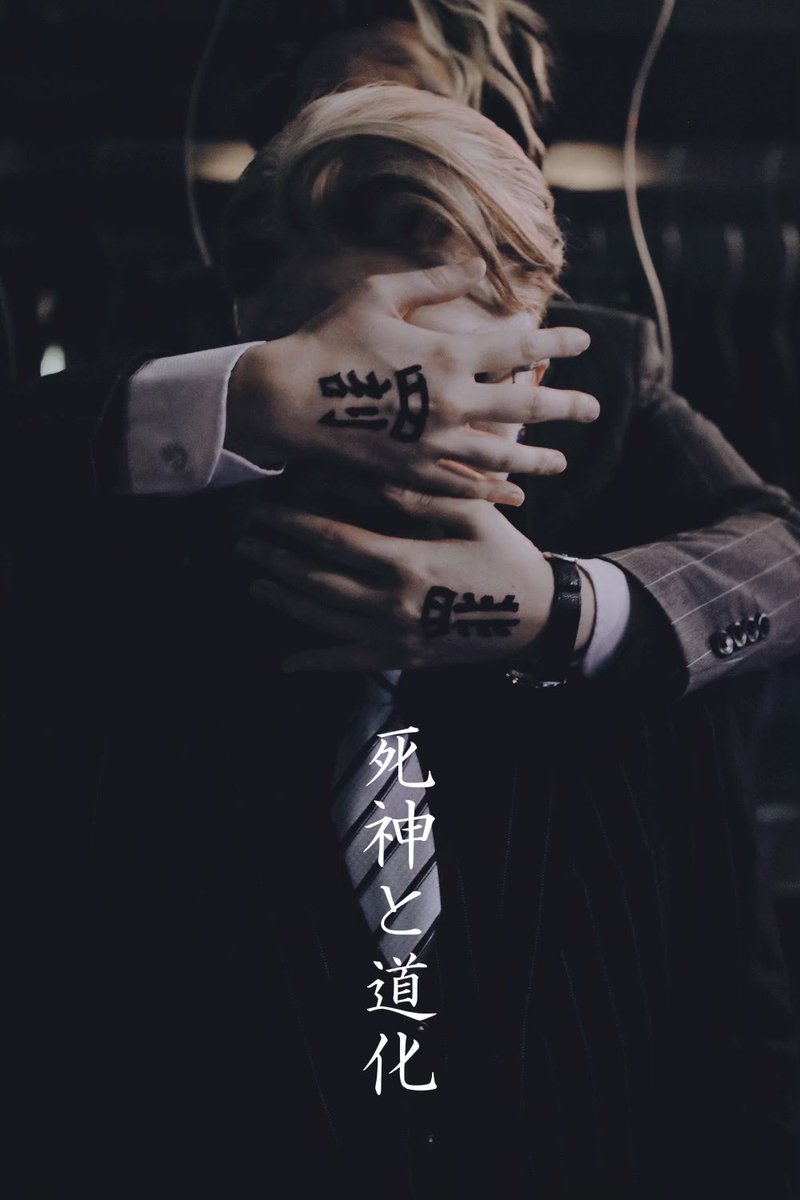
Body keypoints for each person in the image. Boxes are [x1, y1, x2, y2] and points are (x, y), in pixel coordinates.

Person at [7, 79, 800, 1199]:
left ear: (537, 365)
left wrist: (559, 611)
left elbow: (735, 1044)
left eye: (462, 387)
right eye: (361, 389)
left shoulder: (651, 659)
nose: (411, 438)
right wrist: (254, 399)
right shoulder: (111, 622)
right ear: (253, 341)